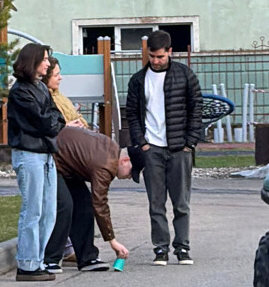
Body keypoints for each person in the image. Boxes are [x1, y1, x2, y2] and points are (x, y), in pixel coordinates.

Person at [125, 30, 204, 266]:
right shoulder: (138, 80)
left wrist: (190, 142)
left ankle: (182, 247)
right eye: (152, 56)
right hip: (152, 149)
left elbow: (196, 108)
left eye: (160, 56)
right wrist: (142, 143)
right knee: (156, 203)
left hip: (180, 148)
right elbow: (132, 114)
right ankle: (160, 249)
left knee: (181, 202)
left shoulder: (185, 75)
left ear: (170, 52)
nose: (156, 61)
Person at [7, 41, 63, 282]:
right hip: (28, 154)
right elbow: (44, 122)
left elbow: (57, 117)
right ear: (33, 62)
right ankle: (27, 263)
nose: (48, 64)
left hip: (46, 154)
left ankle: (38, 260)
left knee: (49, 211)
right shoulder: (20, 92)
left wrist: (51, 122)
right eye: (44, 60)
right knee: (33, 209)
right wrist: (51, 122)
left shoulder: (41, 88)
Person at [46, 123, 130, 272]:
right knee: (64, 206)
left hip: (68, 167)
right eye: (130, 172)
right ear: (124, 161)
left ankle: (87, 257)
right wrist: (112, 241)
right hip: (53, 160)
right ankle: (50, 259)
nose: (129, 177)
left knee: (84, 205)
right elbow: (100, 204)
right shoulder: (106, 165)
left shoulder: (111, 149)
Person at [45, 56, 87, 127]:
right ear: (46, 77)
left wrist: (81, 124)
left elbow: (76, 115)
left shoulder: (61, 97)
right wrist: (67, 126)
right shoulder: (45, 100)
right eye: (56, 75)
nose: (60, 78)